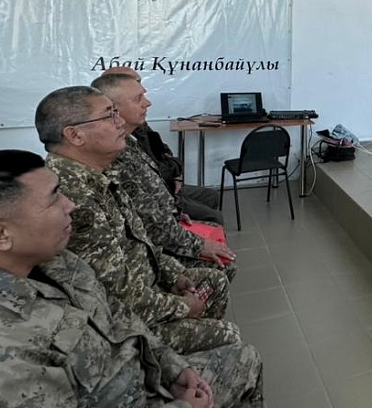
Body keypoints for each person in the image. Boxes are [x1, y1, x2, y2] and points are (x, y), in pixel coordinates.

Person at [0, 149, 263, 407]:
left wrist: (171, 366)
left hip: (141, 379)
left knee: (245, 357)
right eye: (54, 199)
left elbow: (118, 317)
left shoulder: (56, 261)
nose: (70, 204)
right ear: (0, 235)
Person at [35, 86, 236, 355]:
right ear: (75, 135)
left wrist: (172, 273)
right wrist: (183, 307)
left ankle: (191, 366)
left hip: (148, 283)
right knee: (231, 338)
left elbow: (140, 239)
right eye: (109, 116)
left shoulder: (98, 173)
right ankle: (184, 371)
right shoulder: (73, 197)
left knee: (215, 281)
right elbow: (118, 293)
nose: (119, 122)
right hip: (123, 322)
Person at [92, 73, 236, 272]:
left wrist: (174, 207)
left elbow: (165, 155)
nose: (147, 103)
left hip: (169, 207)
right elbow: (148, 221)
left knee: (210, 203)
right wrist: (197, 244)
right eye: (138, 98)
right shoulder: (114, 153)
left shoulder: (133, 139)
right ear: (112, 108)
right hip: (149, 244)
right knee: (222, 259)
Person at [100, 66, 226, 224]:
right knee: (213, 217)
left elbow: (164, 150)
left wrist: (176, 174)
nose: (147, 101)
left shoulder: (138, 128)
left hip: (167, 186)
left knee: (210, 196)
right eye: (137, 95)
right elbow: (147, 208)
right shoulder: (114, 147)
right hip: (162, 194)